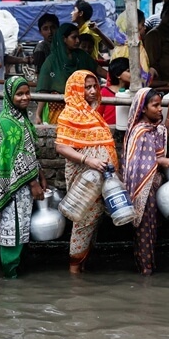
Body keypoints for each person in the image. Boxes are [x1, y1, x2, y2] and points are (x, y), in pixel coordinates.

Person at [54, 70, 118, 274]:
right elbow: (61, 147)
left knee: (93, 221)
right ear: (75, 89)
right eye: (86, 87)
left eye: (94, 86)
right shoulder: (69, 113)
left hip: (99, 177)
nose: (92, 91)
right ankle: (74, 271)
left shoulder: (94, 113)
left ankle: (81, 268)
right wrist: (87, 159)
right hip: (83, 179)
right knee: (82, 221)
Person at [123, 88, 169, 275]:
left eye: (160, 105)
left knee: (151, 229)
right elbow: (137, 162)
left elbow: (168, 130)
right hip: (143, 188)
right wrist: (163, 161)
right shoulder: (140, 132)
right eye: (155, 105)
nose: (159, 109)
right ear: (143, 108)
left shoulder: (153, 128)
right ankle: (146, 269)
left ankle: (147, 266)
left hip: (153, 186)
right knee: (144, 230)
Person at [0, 77, 47, 278]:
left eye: (27, 93)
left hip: (26, 184)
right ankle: (10, 273)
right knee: (13, 229)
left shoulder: (22, 118)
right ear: (9, 96)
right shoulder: (6, 121)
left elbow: (30, 150)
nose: (25, 97)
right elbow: (13, 156)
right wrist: (33, 182)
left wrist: (40, 174)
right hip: (14, 186)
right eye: (19, 94)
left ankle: (17, 271)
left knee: (22, 226)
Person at [35, 23, 104, 125]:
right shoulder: (52, 61)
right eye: (74, 37)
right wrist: (37, 114)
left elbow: (99, 70)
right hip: (58, 109)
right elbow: (44, 88)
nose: (77, 41)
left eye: (78, 37)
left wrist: (119, 77)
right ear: (64, 39)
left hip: (80, 107)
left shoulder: (82, 56)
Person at [111, 9, 152, 86]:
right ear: (134, 27)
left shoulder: (119, 48)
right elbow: (144, 79)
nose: (145, 28)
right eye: (142, 25)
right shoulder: (132, 47)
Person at [98, 57, 130, 125]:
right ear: (117, 75)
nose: (132, 74)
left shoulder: (132, 91)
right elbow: (98, 115)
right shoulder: (105, 92)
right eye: (128, 71)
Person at [32, 13, 59, 78]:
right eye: (45, 29)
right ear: (40, 32)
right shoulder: (41, 47)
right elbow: (39, 74)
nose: (50, 31)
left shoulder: (62, 46)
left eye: (53, 28)